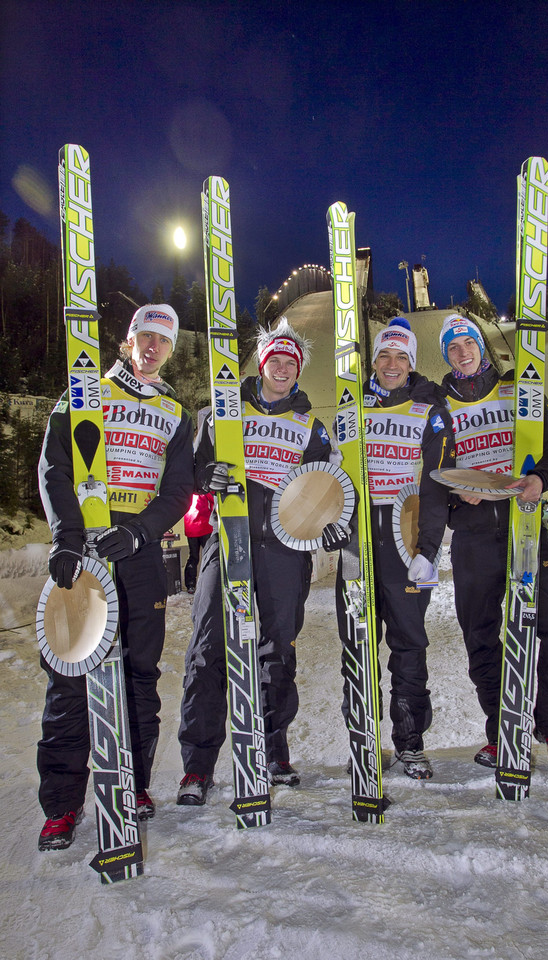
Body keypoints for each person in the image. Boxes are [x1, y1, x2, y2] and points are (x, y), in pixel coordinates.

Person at [37, 304, 194, 850]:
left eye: (163, 341)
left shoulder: (175, 410)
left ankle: (133, 784)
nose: (152, 347)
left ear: (171, 349)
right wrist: (65, 535)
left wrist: (142, 532)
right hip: (84, 550)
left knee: (138, 676)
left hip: (139, 554)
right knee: (71, 677)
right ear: (128, 341)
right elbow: (54, 467)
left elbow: (179, 489)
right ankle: (61, 806)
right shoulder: (84, 392)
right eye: (144, 337)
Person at [177, 318, 331, 803]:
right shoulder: (223, 412)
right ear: (262, 363)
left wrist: (332, 522)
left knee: (277, 649)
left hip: (286, 550)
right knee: (207, 649)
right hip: (229, 541)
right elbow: (194, 471)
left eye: (291, 362)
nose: (283, 368)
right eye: (275, 360)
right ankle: (198, 767)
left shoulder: (310, 427)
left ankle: (272, 750)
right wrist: (210, 477)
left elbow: (325, 486)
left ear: (298, 370)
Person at [439, 314, 548, 771]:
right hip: (474, 535)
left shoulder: (519, 388)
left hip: (525, 525)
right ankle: (504, 729)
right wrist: (456, 496)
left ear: (481, 345)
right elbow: (428, 473)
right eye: (453, 348)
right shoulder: (437, 406)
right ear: (447, 356)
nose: (463, 352)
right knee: (481, 634)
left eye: (468, 343)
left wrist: (540, 478)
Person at [334, 317, 456, 781]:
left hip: (406, 541)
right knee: (358, 643)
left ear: (411, 364)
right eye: (384, 355)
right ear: (374, 361)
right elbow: (333, 472)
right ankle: (364, 740)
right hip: (359, 539)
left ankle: (409, 743)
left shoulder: (429, 408)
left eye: (400, 357)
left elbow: (437, 483)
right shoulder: (353, 405)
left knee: (409, 644)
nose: (391, 364)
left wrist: (428, 549)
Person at [183, 492, 215, 593]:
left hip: (190, 528)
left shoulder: (186, 492)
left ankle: (190, 584)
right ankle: (208, 583)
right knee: (208, 556)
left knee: (193, 556)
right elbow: (214, 502)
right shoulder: (204, 491)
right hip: (205, 527)